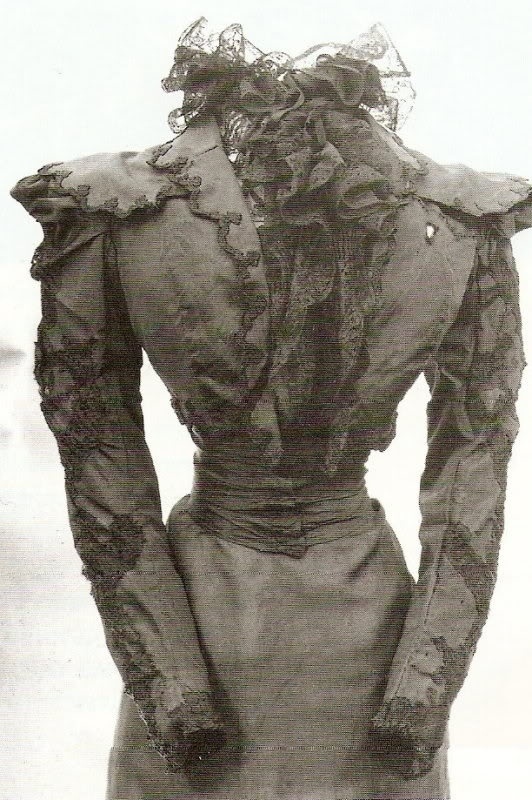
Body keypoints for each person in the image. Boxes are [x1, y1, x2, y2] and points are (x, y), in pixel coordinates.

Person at [10, 17, 531, 800]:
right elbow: (474, 471)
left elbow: (99, 458)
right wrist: (423, 684)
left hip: (215, 616)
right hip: (337, 626)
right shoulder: (456, 215)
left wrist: (173, 685)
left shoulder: (118, 208)